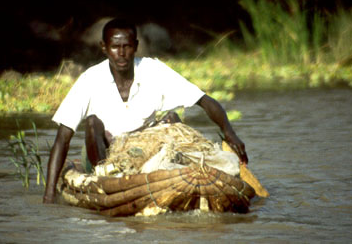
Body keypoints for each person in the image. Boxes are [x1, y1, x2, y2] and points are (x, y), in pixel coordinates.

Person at [43, 18, 248, 204]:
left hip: (143, 150)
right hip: (103, 155)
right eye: (115, 47)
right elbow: (63, 138)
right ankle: (106, 180)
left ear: (136, 47)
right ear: (104, 48)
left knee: (172, 118)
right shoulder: (90, 79)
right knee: (92, 122)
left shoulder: (153, 70)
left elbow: (203, 100)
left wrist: (230, 132)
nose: (121, 53)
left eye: (127, 47)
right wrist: (49, 194)